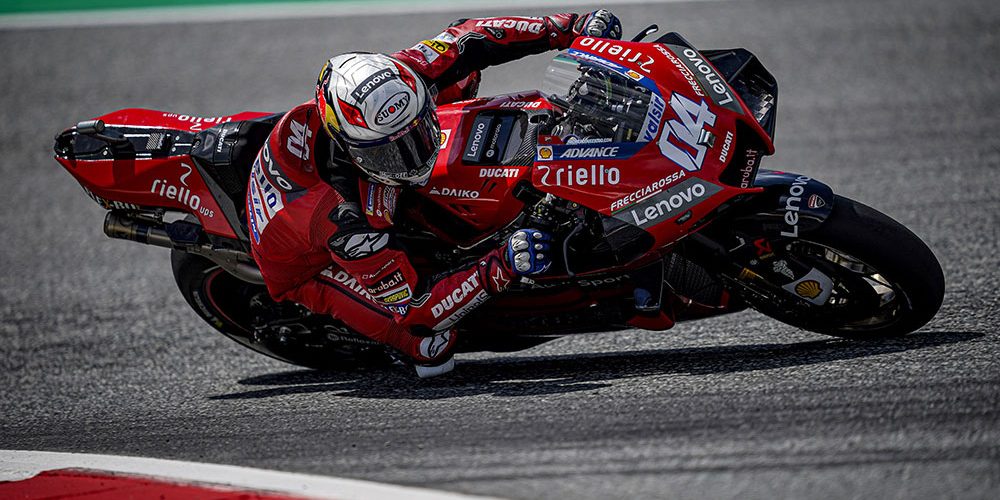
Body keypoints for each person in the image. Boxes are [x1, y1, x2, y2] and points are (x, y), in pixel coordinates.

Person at [246, 10, 623, 377]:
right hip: (308, 264)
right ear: (351, 147)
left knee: (461, 73)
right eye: (390, 153)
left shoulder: (401, 75)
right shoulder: (345, 220)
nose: (414, 158)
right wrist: (501, 265)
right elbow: (417, 311)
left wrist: (570, 28)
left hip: (352, 180)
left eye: (418, 132)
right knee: (430, 345)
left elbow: (472, 35)